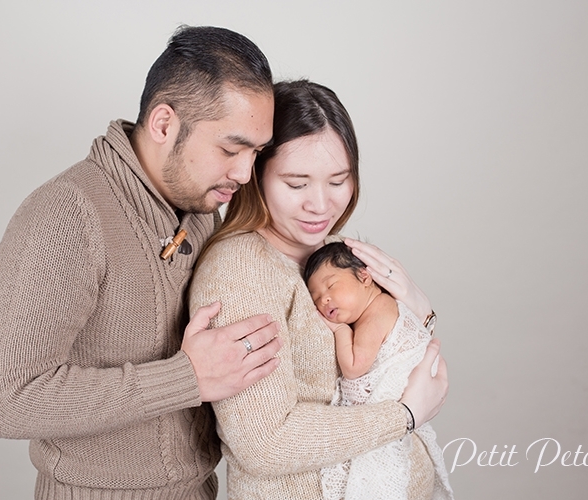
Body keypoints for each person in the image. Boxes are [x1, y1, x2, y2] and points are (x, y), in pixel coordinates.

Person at [0, 26, 284, 500]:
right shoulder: (66, 215)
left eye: (255, 153)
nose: (244, 173)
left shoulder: (200, 206)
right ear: (163, 124)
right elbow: (6, 400)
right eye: (230, 149)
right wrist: (187, 377)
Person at [189, 80, 449, 499]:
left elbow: (388, 364)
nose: (321, 205)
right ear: (256, 177)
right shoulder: (241, 270)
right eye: (296, 184)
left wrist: (420, 308)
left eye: (338, 180)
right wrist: (404, 416)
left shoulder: (327, 256)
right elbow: (264, 443)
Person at [304, 242, 454, 500]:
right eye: (316, 297)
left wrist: (340, 330)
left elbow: (354, 368)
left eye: (330, 286)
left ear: (364, 276)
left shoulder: (378, 310)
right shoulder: (381, 306)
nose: (323, 299)